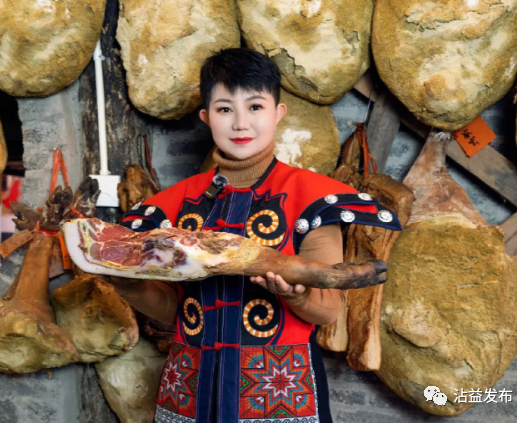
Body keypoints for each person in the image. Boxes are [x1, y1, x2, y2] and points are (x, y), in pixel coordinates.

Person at [109, 48, 401, 423]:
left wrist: (296, 295)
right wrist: (128, 285)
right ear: (206, 117)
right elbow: (179, 313)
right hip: (189, 392)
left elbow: (329, 310)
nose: (241, 123)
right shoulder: (174, 205)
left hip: (275, 394)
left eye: (256, 107)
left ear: (278, 114)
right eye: (225, 109)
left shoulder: (311, 197)